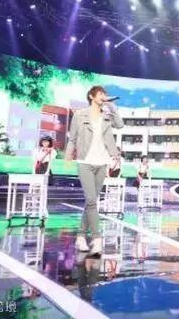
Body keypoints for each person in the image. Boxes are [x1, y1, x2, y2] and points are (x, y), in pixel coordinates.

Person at [65, 86, 123, 256]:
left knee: (91, 202)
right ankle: (97, 240)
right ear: (91, 96)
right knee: (91, 201)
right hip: (85, 162)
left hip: (102, 162)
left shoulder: (107, 115)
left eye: (105, 94)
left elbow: (120, 125)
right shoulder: (80, 115)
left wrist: (111, 107)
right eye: (101, 94)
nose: (104, 96)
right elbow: (72, 138)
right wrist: (68, 157)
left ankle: (80, 236)